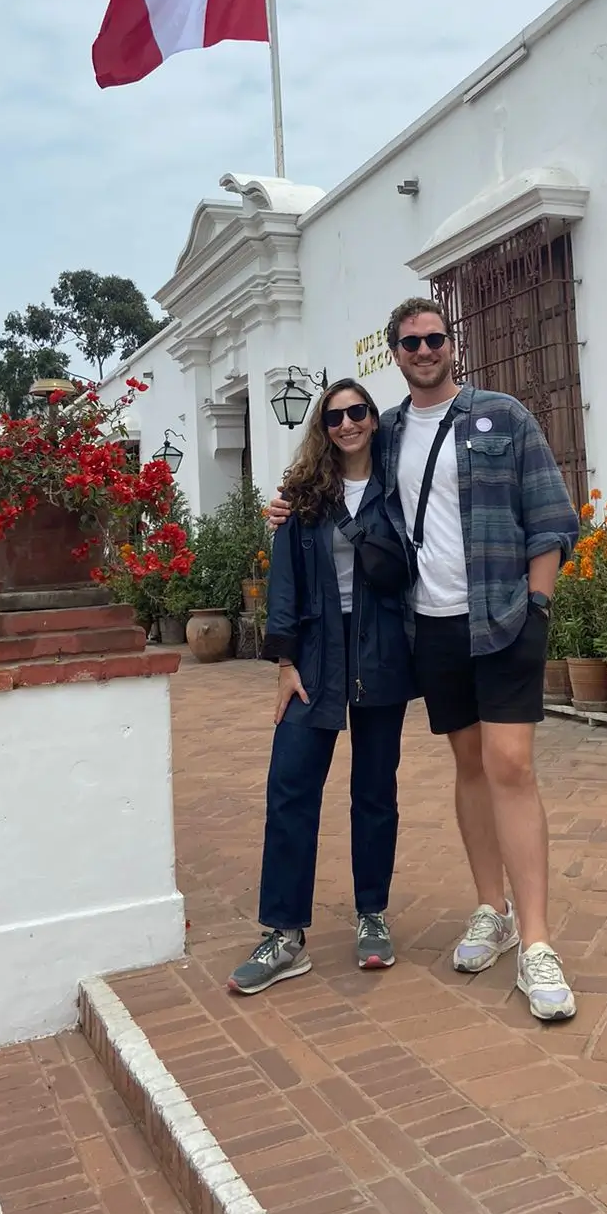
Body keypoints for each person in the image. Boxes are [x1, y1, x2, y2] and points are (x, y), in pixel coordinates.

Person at [268, 298, 580, 1020]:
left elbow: (551, 517)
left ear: (453, 344)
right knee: (469, 766)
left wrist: (538, 606)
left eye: (435, 337)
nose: (424, 349)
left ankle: (536, 942)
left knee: (511, 765)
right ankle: (490, 910)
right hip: (428, 628)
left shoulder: (504, 416)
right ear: (395, 353)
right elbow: (336, 485)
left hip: (502, 618)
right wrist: (283, 508)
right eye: (410, 342)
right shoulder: (389, 432)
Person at [228, 378, 415, 996]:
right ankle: (284, 932)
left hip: (381, 646)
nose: (348, 424)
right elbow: (283, 583)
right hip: (314, 650)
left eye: (358, 412)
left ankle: (372, 914)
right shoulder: (302, 495)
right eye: (334, 416)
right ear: (323, 427)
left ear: (372, 419)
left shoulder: (397, 488)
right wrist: (284, 663)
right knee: (290, 788)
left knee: (374, 790)